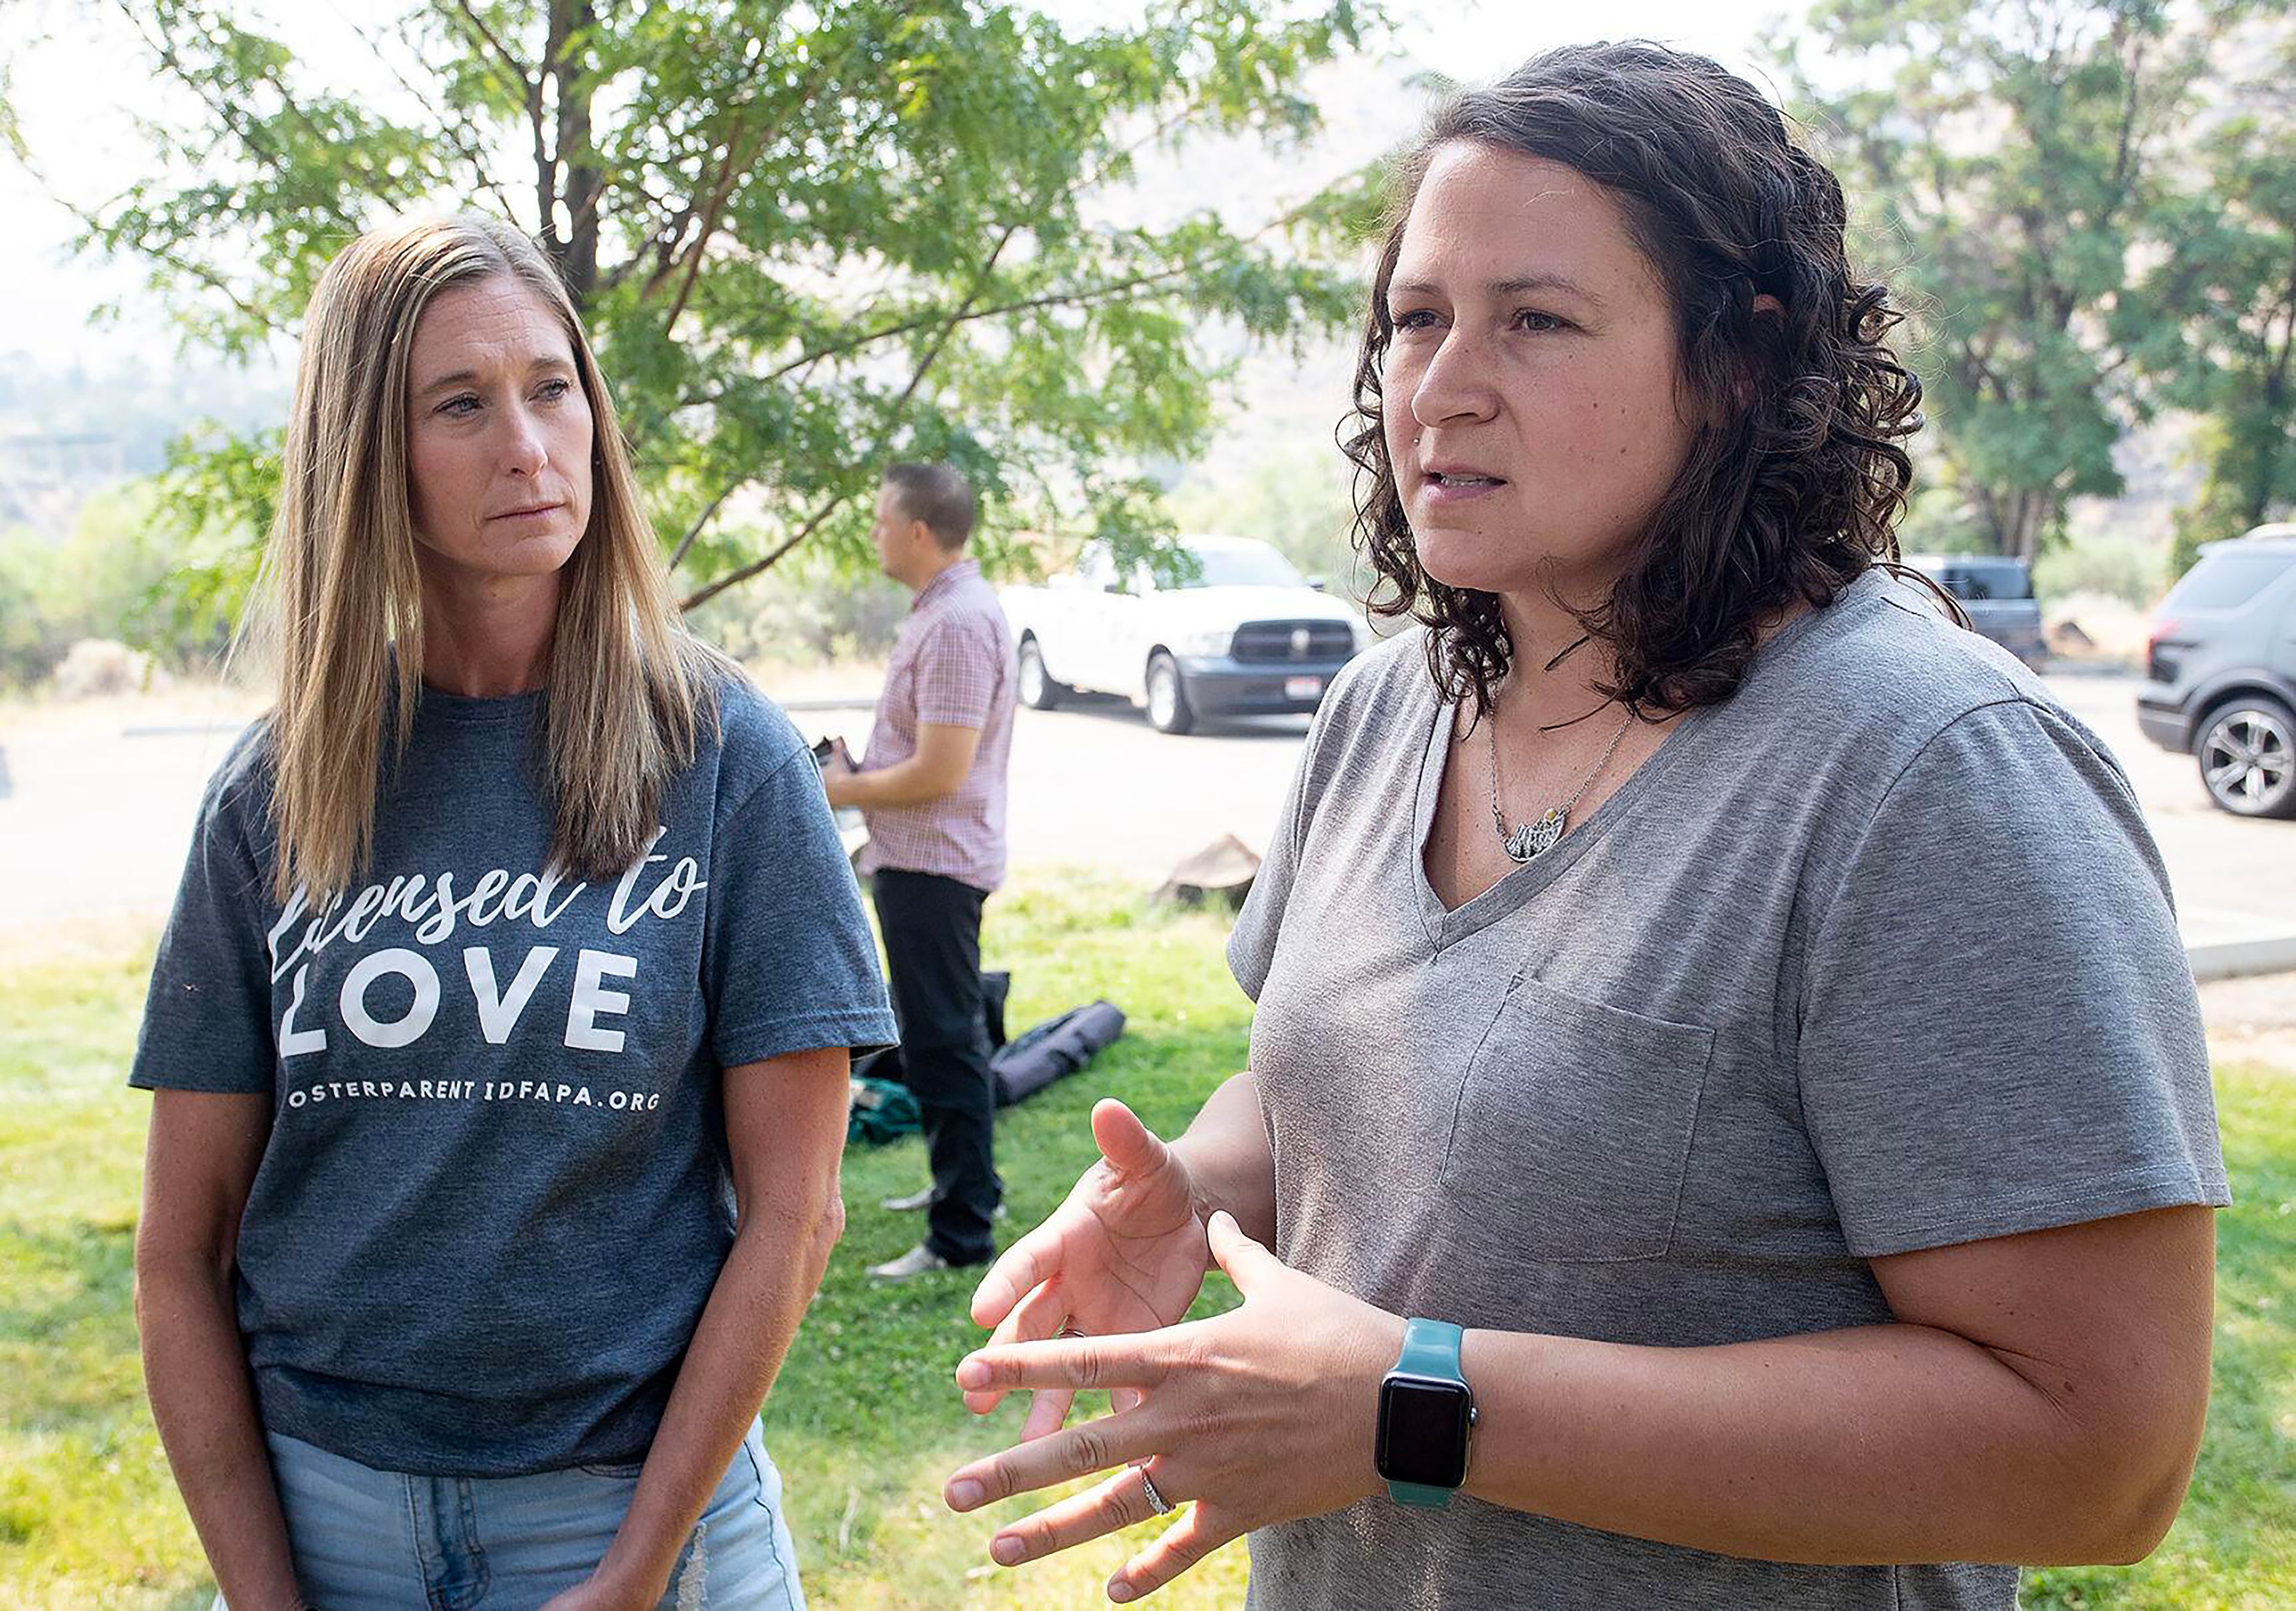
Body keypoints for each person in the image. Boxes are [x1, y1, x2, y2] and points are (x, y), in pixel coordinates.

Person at [939, 41, 2228, 1610]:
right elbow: (1352, 1066)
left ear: (1742, 362)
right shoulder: (1383, 710)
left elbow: (2101, 1452)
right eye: (1417, 320)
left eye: (1535, 321)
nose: (1442, 383)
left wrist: (1418, 1404)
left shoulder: (1930, 772)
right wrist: (1203, 1188)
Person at [129, 216, 897, 1610]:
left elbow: (796, 1213)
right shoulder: (273, 796)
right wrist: (265, 1594)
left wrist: (633, 1573)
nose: (529, 445)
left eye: (553, 389)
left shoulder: (729, 761)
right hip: (325, 1527)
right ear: (369, 453)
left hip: (636, 1517)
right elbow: (180, 1255)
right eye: (461, 405)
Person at [822, 462, 1018, 1281]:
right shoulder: (942, 614)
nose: (871, 535)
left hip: (933, 867)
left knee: (943, 1041)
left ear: (917, 529)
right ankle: (966, 1184)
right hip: (918, 859)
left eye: (877, 521)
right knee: (944, 1035)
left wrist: (840, 788)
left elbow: (941, 770)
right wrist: (861, 767)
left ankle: (963, 1230)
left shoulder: (957, 623)